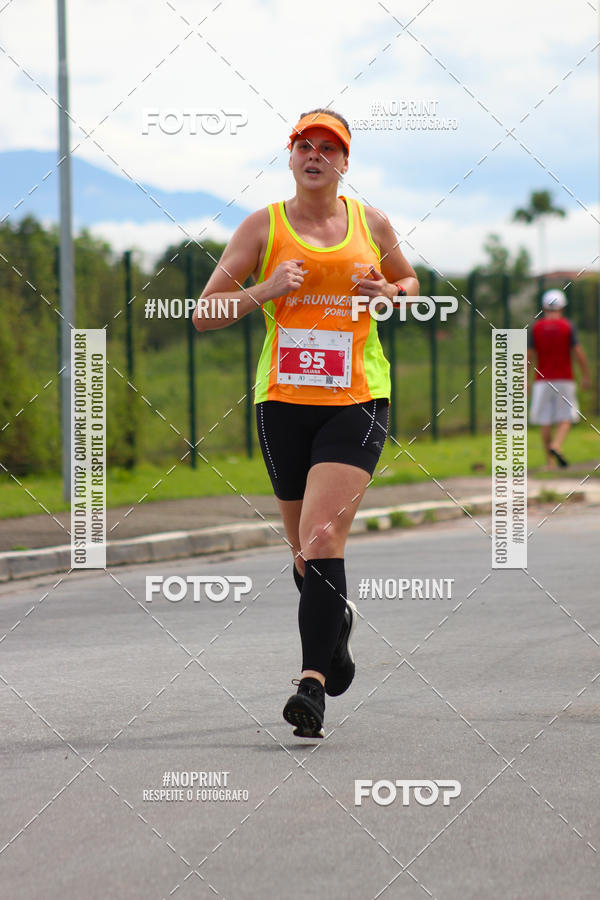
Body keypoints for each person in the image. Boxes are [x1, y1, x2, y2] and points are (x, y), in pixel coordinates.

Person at [193, 108, 419, 738]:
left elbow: (409, 280)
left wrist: (390, 294)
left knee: (321, 539)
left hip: (357, 400)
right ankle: (335, 632)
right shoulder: (261, 226)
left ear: (345, 163)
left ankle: (311, 686)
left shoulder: (370, 222)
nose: (315, 155)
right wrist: (266, 289)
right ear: (290, 156)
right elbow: (205, 312)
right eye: (305, 145)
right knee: (303, 556)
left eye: (329, 147)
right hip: (283, 404)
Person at [527, 288, 590, 469]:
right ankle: (557, 445)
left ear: (544, 307)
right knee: (566, 417)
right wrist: (585, 374)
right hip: (565, 379)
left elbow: (529, 355)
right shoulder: (567, 326)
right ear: (562, 306)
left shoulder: (536, 328)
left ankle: (550, 462)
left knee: (545, 420)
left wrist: (525, 379)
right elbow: (578, 352)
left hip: (541, 381)